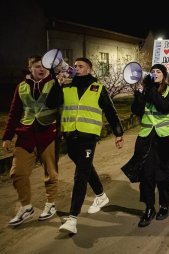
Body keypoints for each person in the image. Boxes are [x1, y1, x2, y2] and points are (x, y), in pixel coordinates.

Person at [46, 57, 124, 234]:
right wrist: (57, 84)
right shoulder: (67, 86)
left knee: (80, 175)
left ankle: (72, 219)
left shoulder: (98, 88)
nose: (76, 68)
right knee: (85, 167)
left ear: (89, 69)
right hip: (71, 136)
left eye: (80, 66)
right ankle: (101, 196)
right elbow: (50, 104)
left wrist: (118, 133)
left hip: (89, 137)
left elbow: (111, 111)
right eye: (75, 66)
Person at [3, 56, 60, 226]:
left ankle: (50, 204)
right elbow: (14, 113)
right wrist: (7, 136)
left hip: (48, 133)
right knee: (17, 172)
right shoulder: (21, 87)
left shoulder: (54, 84)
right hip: (26, 135)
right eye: (37, 66)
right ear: (30, 68)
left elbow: (60, 104)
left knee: (51, 173)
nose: (41, 69)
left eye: (44, 66)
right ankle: (26, 207)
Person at [128, 63, 169, 228]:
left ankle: (164, 205)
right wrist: (139, 94)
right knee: (146, 175)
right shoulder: (145, 90)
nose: (154, 74)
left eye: (158, 72)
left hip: (165, 138)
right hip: (146, 138)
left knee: (163, 174)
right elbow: (137, 110)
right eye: (152, 71)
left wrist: (151, 90)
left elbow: (164, 107)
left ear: (164, 75)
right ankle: (148, 208)